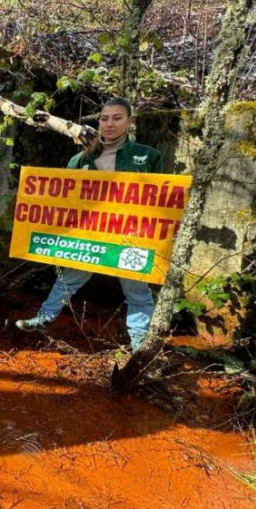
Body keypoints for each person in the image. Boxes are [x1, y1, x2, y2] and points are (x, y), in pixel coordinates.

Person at [15, 97, 160, 351]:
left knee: (136, 288)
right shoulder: (80, 160)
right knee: (68, 279)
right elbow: (65, 201)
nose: (109, 124)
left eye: (117, 118)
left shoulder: (148, 157)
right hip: (89, 235)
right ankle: (45, 318)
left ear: (130, 122)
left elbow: (160, 202)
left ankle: (139, 341)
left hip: (130, 236)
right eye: (104, 119)